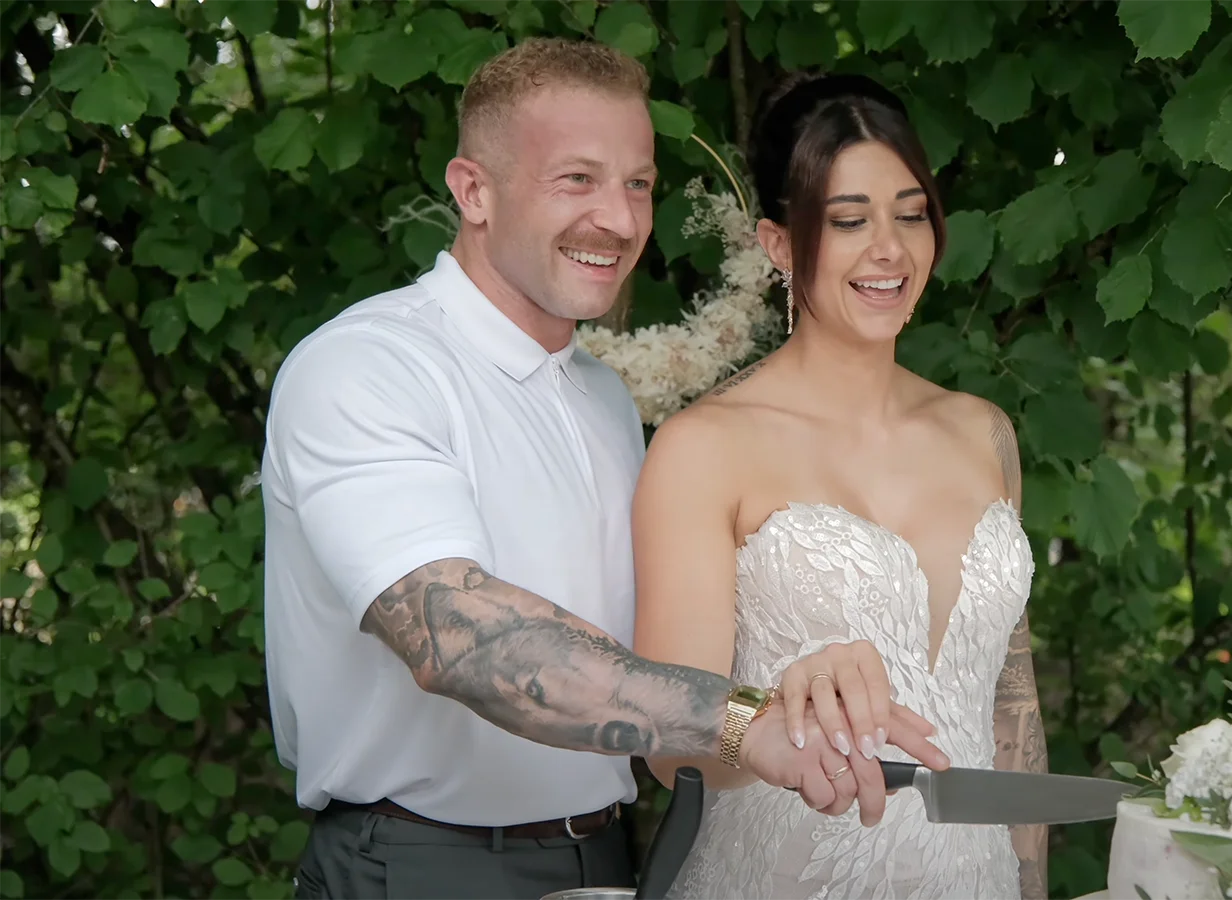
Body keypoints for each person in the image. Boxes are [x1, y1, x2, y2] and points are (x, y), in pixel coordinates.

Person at [260, 41, 948, 900]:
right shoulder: (369, 368)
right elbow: (461, 640)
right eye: (576, 181)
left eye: (637, 184)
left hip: (604, 856)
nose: (620, 221)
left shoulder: (600, 397)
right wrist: (749, 721)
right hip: (419, 861)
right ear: (473, 190)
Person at [630, 71, 1050, 900]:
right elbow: (666, 739)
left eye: (910, 212)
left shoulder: (983, 432)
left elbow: (1012, 711)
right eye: (849, 221)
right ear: (780, 244)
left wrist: (1029, 881)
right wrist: (769, 712)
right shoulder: (703, 447)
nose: (889, 249)